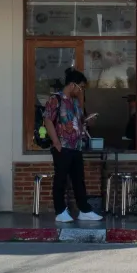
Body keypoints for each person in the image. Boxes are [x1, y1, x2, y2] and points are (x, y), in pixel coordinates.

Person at [44, 68, 103, 223]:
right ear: (72, 85)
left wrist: (87, 120)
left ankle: (84, 209)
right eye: (80, 87)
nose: (81, 90)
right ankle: (60, 211)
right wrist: (56, 142)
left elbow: (79, 121)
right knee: (61, 179)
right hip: (62, 146)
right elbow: (48, 120)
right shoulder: (55, 99)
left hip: (76, 146)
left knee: (78, 179)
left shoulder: (75, 102)